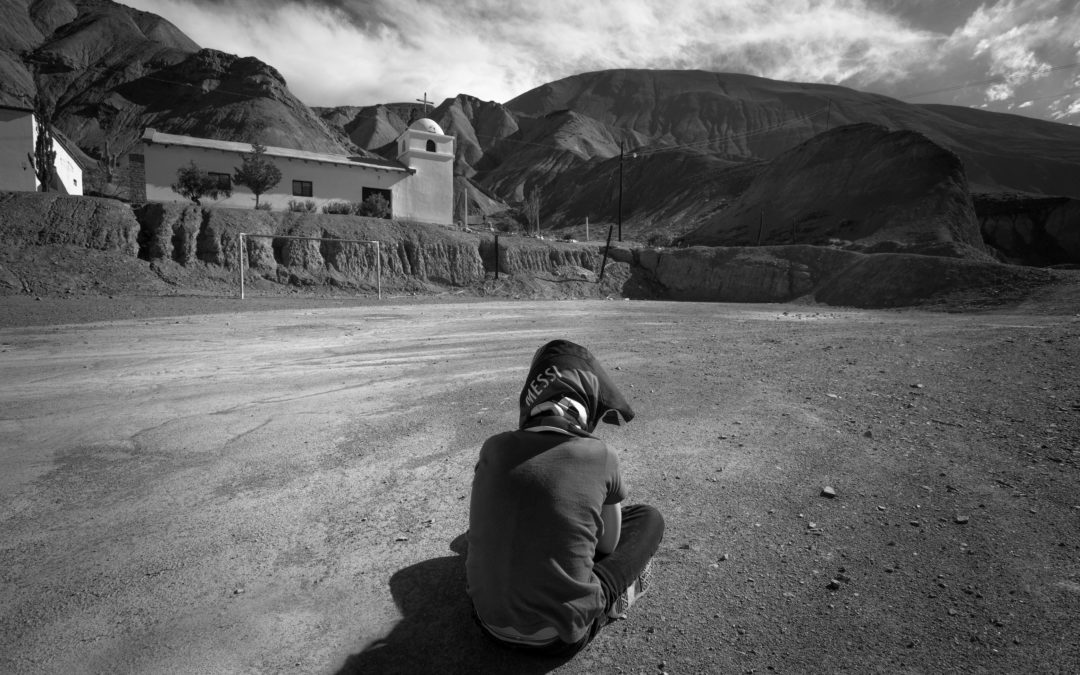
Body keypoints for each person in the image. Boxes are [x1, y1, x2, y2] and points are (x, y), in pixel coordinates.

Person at [466, 339, 665, 656]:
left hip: (486, 623)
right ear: (586, 407)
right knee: (648, 519)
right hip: (559, 638)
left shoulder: (494, 447)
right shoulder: (600, 455)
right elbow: (608, 545)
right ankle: (611, 601)